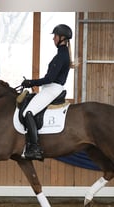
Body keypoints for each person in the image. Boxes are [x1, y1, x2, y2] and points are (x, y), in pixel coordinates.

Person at [21, 24, 74, 161]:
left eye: (55, 36)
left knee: (28, 112)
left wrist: (30, 82)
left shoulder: (62, 56)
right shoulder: (62, 54)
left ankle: (35, 148)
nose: (53, 39)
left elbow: (49, 78)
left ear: (62, 38)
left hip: (52, 88)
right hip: (51, 88)